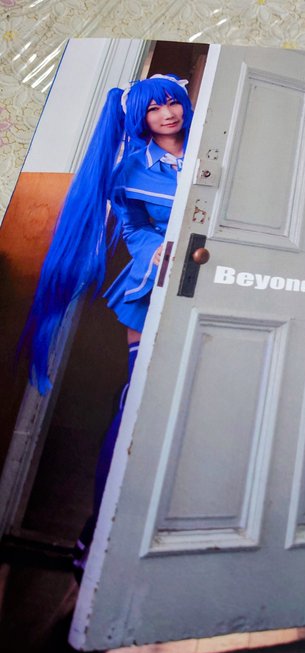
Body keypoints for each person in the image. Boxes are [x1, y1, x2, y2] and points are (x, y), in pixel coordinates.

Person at [23, 73, 194, 578]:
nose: (167, 113)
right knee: (136, 406)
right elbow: (135, 229)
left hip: (212, 284)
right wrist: (158, 250)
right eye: (154, 109)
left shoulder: (211, 147)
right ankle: (97, 533)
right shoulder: (129, 171)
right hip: (150, 287)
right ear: (139, 117)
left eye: (173, 103)